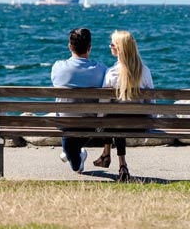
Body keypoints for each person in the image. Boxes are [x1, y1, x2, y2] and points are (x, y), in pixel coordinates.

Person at [93, 30, 154, 182]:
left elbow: (103, 105)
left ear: (119, 49)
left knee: (112, 118)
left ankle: (117, 161)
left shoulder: (111, 73)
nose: (110, 46)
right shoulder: (145, 71)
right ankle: (112, 159)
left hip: (115, 125)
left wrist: (99, 122)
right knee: (116, 119)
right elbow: (151, 103)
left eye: (112, 44)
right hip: (140, 124)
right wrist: (150, 121)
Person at [51, 27, 107, 173]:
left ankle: (70, 153)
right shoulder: (101, 69)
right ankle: (71, 153)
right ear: (90, 47)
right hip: (92, 125)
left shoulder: (58, 67)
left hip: (65, 124)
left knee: (75, 163)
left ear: (70, 46)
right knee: (74, 160)